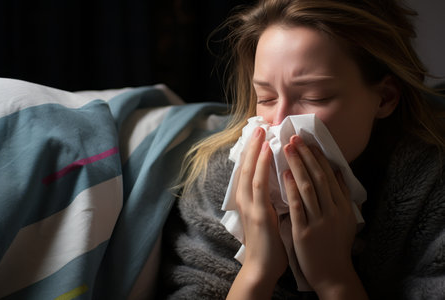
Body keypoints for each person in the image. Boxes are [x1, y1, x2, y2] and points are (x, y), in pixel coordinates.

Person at [157, 0, 445, 299]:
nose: (280, 122)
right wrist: (256, 269)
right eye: (266, 98)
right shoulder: (220, 182)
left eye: (315, 97)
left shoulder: (432, 186)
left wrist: (334, 278)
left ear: (385, 98)